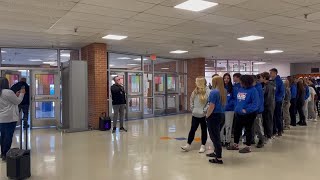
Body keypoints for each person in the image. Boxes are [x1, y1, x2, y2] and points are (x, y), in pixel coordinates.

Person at [227, 75, 259, 153]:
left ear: (246, 82)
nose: (240, 82)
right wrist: (236, 108)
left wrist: (246, 110)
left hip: (249, 114)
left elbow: (255, 104)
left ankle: (248, 147)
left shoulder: (253, 90)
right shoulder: (240, 89)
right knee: (237, 129)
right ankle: (235, 144)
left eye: (241, 81)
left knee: (248, 130)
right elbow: (238, 100)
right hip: (238, 113)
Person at [181, 77, 210, 153]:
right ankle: (188, 144)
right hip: (195, 114)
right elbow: (191, 100)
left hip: (203, 115)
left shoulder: (208, 91)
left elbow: (209, 103)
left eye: (197, 81)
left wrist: (204, 110)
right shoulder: (195, 91)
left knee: (204, 130)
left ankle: (203, 145)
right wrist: (192, 108)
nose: (195, 83)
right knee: (192, 129)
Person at [0, 77, 25, 161]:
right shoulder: (8, 92)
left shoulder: (2, 92)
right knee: (8, 136)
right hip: (10, 118)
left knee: (3, 136)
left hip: (1, 118)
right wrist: (22, 94)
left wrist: (15, 95)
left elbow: (9, 101)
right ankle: (6, 154)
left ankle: (3, 153)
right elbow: (17, 101)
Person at [206, 76, 226, 164]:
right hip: (222, 115)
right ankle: (216, 152)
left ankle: (219, 158)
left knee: (215, 137)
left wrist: (207, 115)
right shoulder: (224, 91)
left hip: (214, 116)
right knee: (216, 135)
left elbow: (211, 106)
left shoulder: (213, 92)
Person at [220, 73, 235, 148]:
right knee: (221, 126)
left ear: (230, 79)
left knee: (228, 126)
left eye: (228, 78)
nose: (226, 79)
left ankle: (228, 141)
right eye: (225, 78)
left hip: (230, 110)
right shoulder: (220, 88)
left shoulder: (232, 88)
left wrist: (228, 105)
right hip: (221, 110)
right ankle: (221, 140)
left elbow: (234, 99)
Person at [260, 72, 276, 142]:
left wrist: (264, 105)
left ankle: (269, 135)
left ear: (264, 78)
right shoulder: (266, 85)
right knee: (266, 121)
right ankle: (267, 134)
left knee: (268, 120)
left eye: (261, 77)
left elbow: (268, 98)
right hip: (268, 105)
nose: (260, 79)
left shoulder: (269, 86)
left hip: (268, 106)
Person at [269, 68, 285, 136]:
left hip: (277, 101)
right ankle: (274, 130)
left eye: (271, 72)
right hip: (272, 101)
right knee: (273, 116)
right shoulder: (271, 81)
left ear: (275, 73)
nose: (270, 74)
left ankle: (280, 130)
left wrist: (276, 98)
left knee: (278, 116)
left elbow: (282, 92)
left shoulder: (279, 81)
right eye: (270, 73)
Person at [252, 75, 265, 148]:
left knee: (258, 126)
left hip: (258, 110)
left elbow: (259, 101)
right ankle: (252, 139)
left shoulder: (258, 88)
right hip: (253, 110)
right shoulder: (253, 88)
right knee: (253, 125)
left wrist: (257, 110)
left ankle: (261, 139)